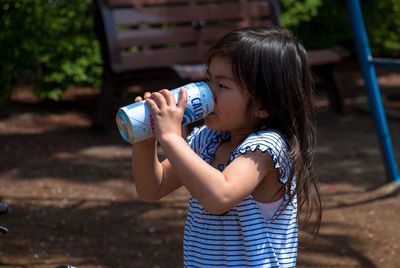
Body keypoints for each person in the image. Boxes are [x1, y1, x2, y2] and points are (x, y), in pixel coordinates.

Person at [132, 26, 322, 267]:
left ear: (263, 105)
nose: (209, 92)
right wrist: (146, 139)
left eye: (222, 86)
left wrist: (171, 138)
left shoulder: (266, 149)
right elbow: (152, 189)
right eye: (209, 79)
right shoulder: (208, 139)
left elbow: (220, 196)